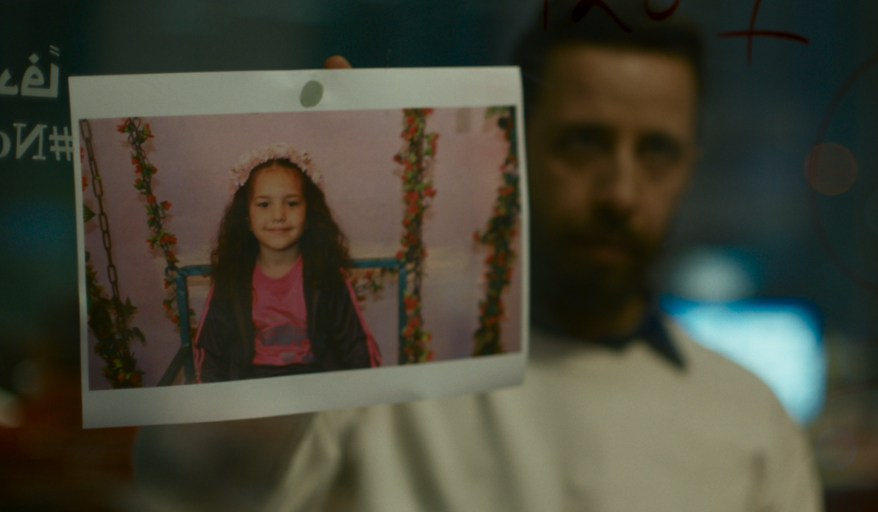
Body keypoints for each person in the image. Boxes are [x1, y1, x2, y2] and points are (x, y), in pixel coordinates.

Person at [136, 9, 823, 511]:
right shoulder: (387, 379)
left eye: (656, 151)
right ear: (509, 149)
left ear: (690, 167)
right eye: (584, 142)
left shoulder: (751, 422)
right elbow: (190, 479)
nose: (620, 191)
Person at [194, 143, 381, 382]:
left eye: (291, 203)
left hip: (317, 385)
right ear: (246, 218)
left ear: (309, 214)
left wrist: (359, 395)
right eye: (264, 204)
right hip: (253, 388)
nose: (278, 215)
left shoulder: (328, 275)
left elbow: (358, 348)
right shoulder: (231, 278)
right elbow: (210, 356)